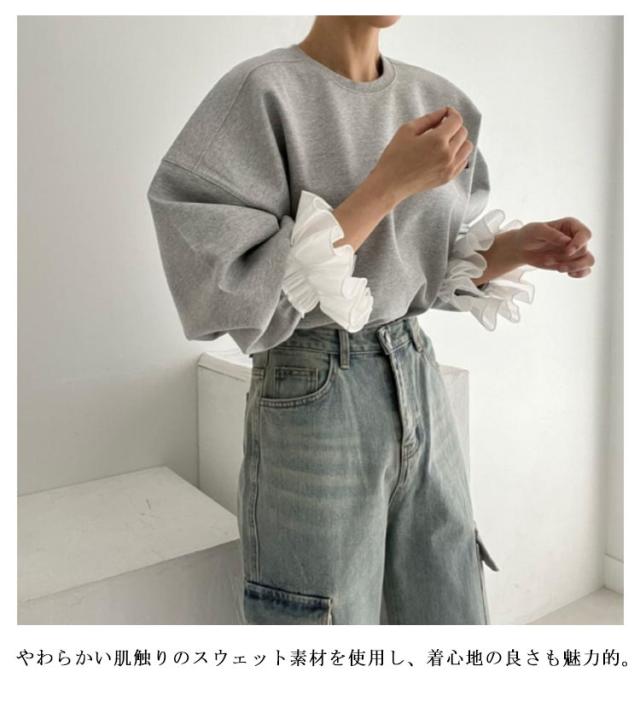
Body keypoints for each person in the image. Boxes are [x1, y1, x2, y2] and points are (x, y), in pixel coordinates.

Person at [147, 16, 595, 624]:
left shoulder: (437, 101)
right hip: (312, 389)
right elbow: (230, 285)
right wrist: (387, 185)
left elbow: (420, 267)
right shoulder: (261, 92)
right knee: (321, 621)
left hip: (416, 370)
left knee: (451, 602)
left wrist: (518, 249)